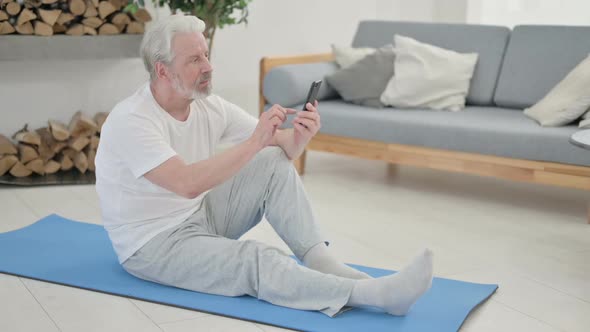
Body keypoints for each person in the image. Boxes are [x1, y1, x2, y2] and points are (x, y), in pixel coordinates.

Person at [95, 13, 433, 317]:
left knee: (271, 160)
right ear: (163, 70)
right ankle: (370, 294)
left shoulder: (208, 105)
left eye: (207, 55)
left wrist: (301, 134)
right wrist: (255, 140)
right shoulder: (132, 120)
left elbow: (282, 148)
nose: (208, 67)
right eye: (195, 59)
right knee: (255, 258)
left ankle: (324, 264)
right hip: (153, 244)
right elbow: (186, 183)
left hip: (200, 216)